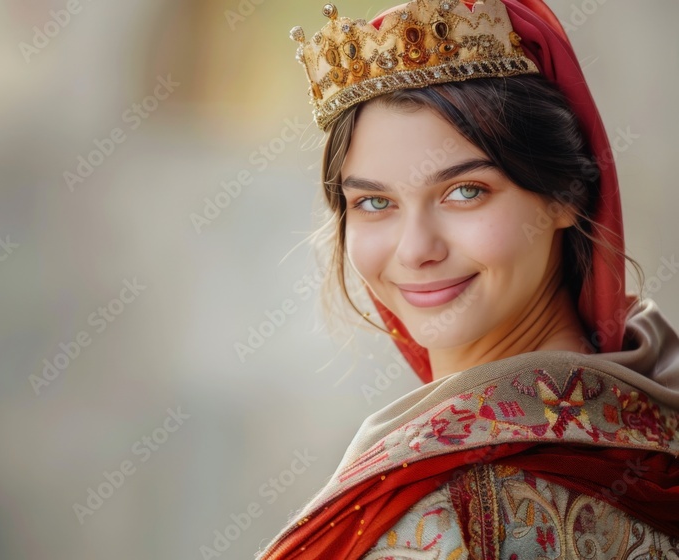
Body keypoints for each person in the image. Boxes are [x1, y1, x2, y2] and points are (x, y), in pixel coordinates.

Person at [258, 0, 679, 558]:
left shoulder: (447, 515)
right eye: (375, 202)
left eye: (464, 192)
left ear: (566, 196)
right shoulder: (652, 407)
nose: (416, 250)